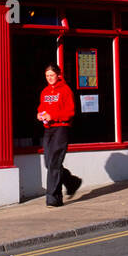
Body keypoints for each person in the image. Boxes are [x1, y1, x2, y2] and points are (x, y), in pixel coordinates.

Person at [36, 64, 82, 207]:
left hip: (61, 128)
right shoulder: (44, 92)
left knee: (54, 163)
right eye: (47, 76)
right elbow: (42, 107)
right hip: (48, 129)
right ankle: (71, 181)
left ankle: (53, 198)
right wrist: (40, 114)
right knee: (49, 162)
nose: (49, 78)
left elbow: (70, 112)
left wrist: (53, 116)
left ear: (58, 75)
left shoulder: (65, 90)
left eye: (52, 75)